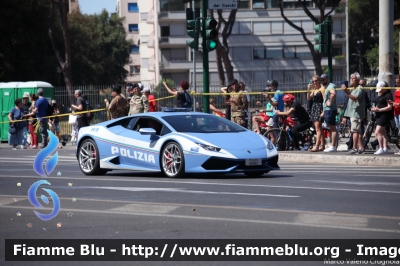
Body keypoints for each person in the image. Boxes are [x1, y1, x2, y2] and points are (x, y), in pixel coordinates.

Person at [343, 72, 366, 154]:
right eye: (351, 78)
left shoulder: (360, 89)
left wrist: (346, 92)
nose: (351, 80)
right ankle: (361, 148)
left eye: (354, 79)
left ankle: (354, 148)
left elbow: (355, 98)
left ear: (358, 80)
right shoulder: (353, 88)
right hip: (353, 112)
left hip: (356, 113)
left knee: (355, 131)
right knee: (358, 131)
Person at [371, 81, 393, 155]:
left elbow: (390, 107)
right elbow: (379, 103)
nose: (379, 91)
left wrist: (379, 110)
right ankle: (385, 148)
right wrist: (375, 108)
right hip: (379, 115)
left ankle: (380, 148)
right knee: (383, 133)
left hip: (384, 115)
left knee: (377, 132)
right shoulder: (381, 94)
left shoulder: (388, 95)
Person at [320, 74, 338, 152]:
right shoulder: (326, 87)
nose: (322, 81)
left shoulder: (331, 86)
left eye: (323, 79)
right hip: (327, 110)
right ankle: (333, 146)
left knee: (332, 128)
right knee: (331, 128)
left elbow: (333, 94)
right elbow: (325, 99)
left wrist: (330, 102)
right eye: (321, 80)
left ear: (327, 79)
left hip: (330, 109)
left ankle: (333, 146)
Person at [307, 75, 325, 152]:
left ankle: (317, 145)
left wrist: (323, 111)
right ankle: (322, 145)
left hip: (319, 108)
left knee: (318, 128)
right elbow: (308, 98)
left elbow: (324, 100)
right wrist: (308, 89)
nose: (315, 82)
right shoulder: (314, 90)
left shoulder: (322, 89)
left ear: (319, 81)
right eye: (313, 81)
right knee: (318, 128)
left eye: (316, 80)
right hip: (314, 108)